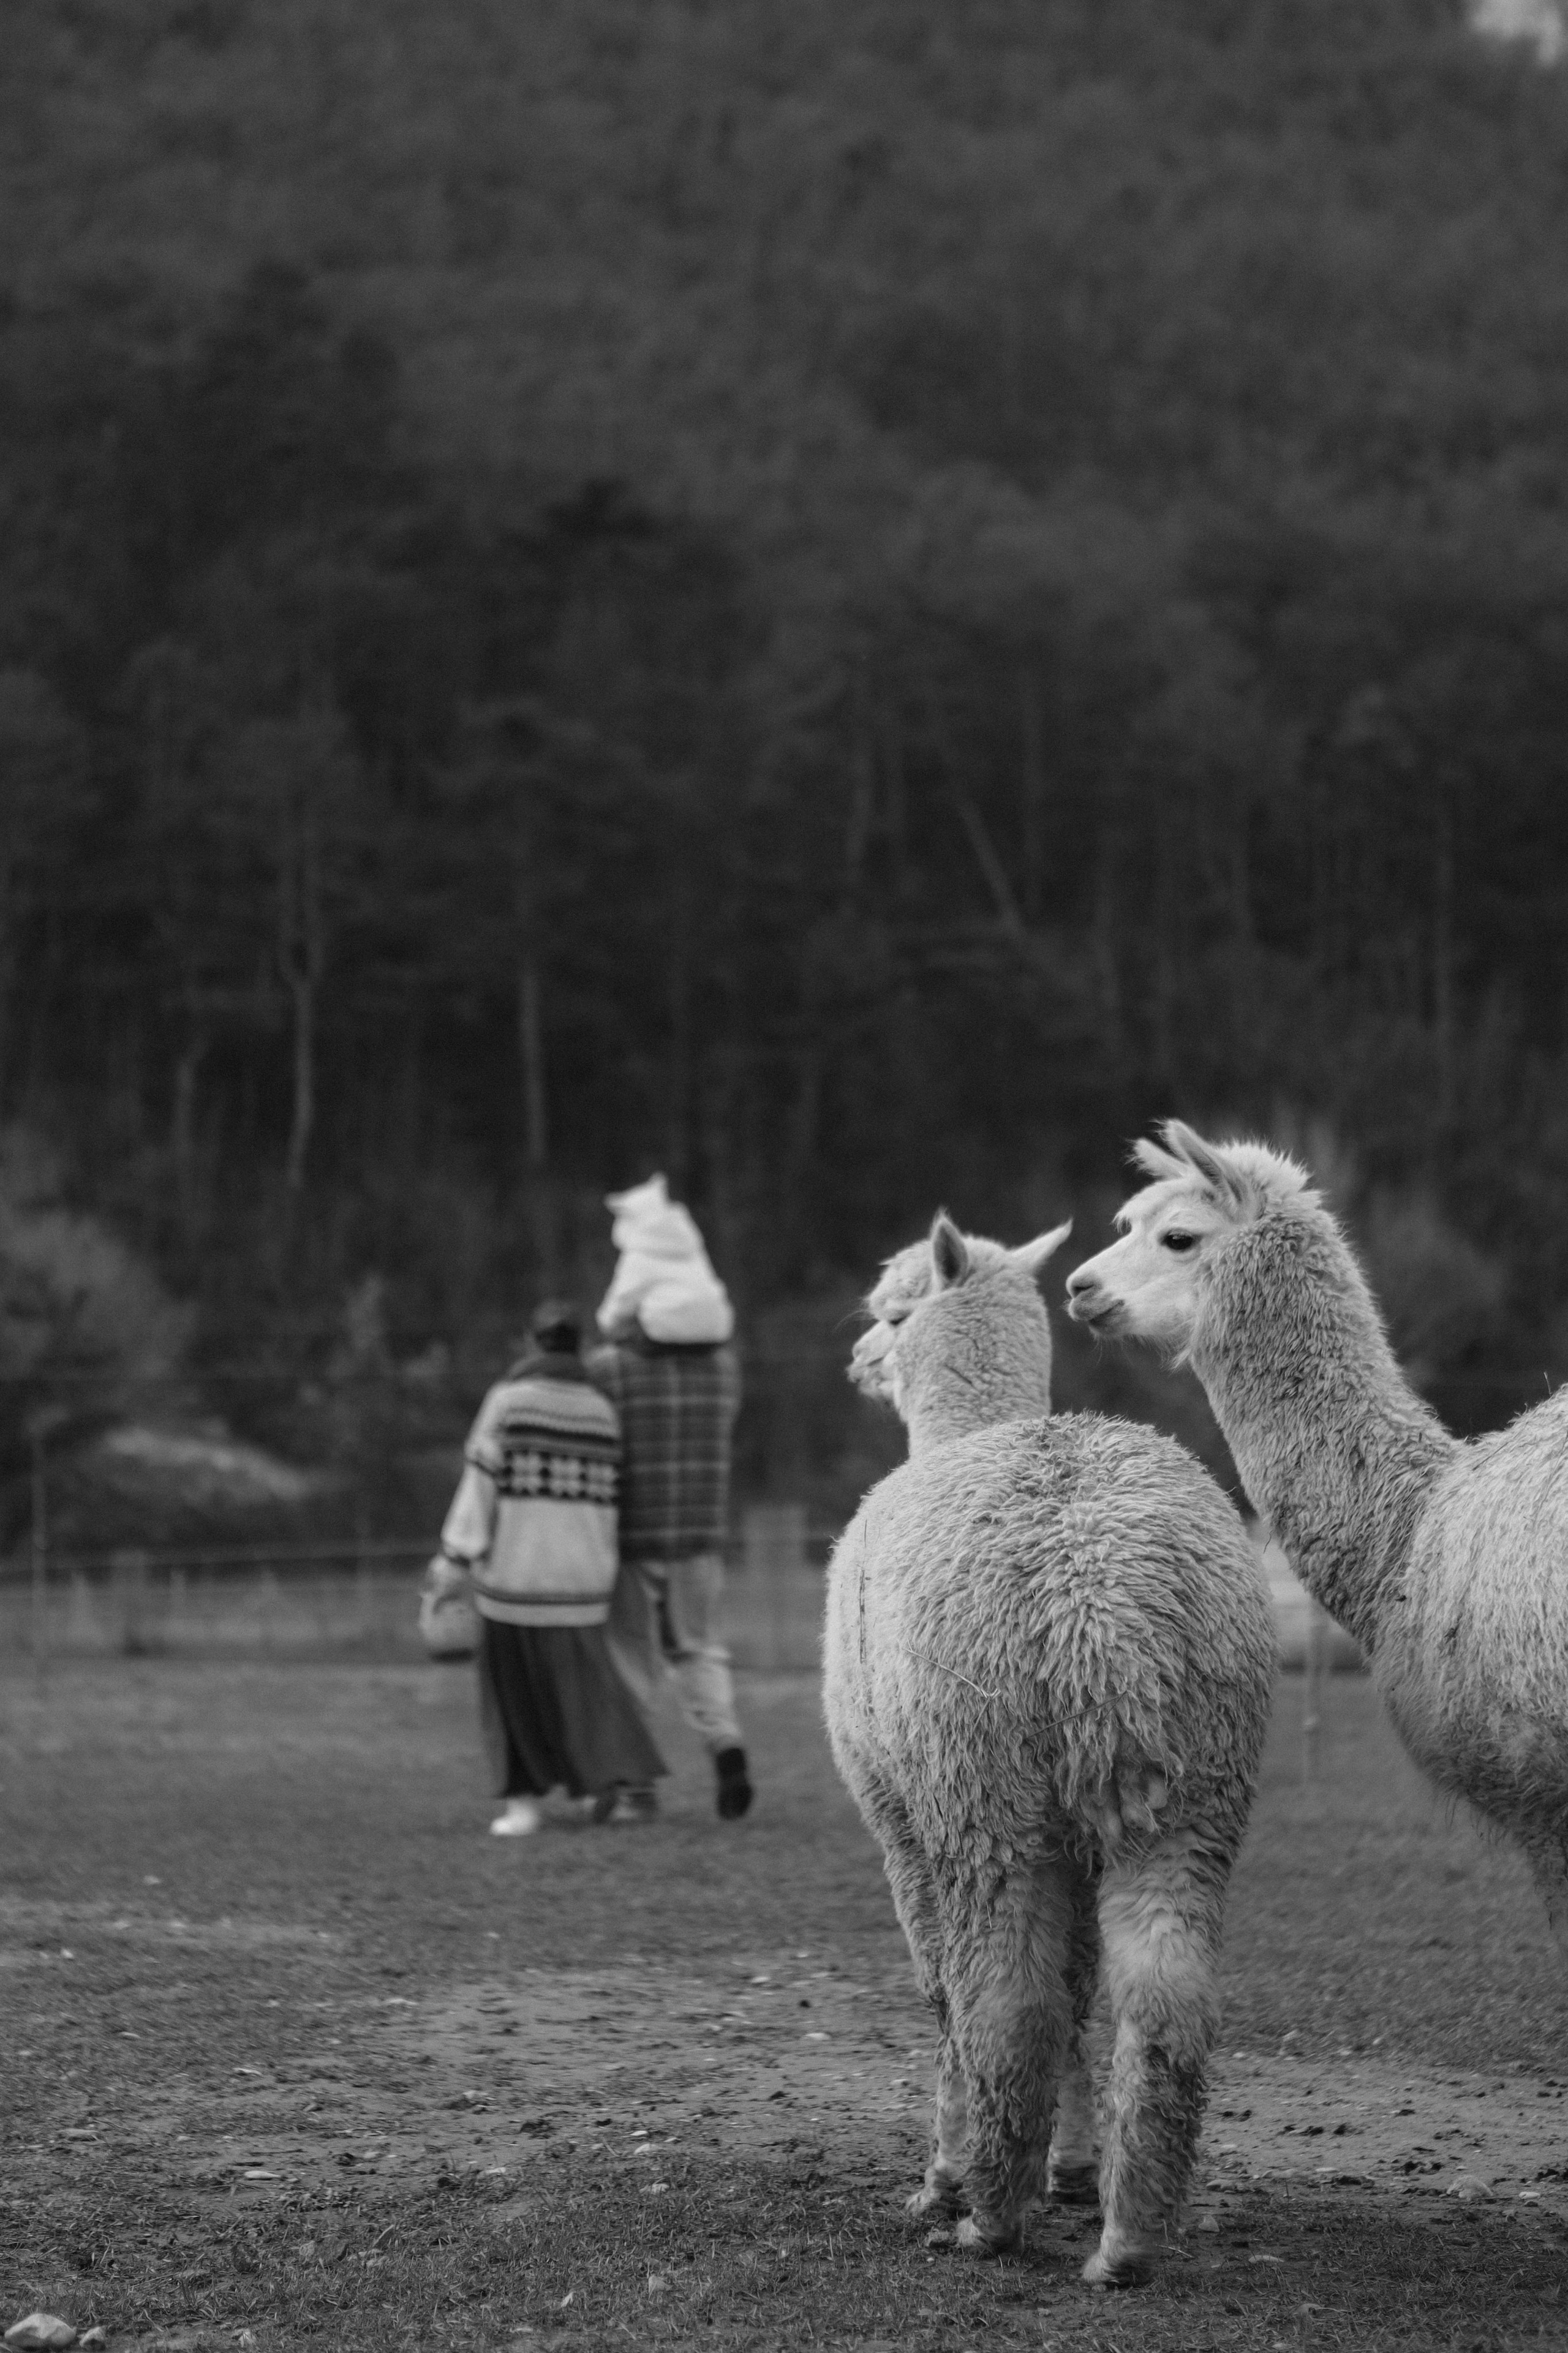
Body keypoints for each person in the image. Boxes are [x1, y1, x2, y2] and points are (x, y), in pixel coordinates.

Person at [427, 1297, 666, 1835]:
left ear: (532, 1343)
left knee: (514, 1700)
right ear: (578, 1347)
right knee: (582, 1700)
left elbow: (479, 1480)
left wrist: (454, 1556)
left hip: (516, 1577)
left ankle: (524, 1806)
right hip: (585, 1582)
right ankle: (596, 1791)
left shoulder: (508, 1401)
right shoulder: (602, 1409)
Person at [586, 1175, 753, 1822]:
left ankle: (634, 1788)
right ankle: (726, 1743)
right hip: (701, 1537)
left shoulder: (612, 1371)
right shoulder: (725, 1369)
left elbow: (610, 1349)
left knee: (631, 1660)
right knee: (700, 1649)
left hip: (632, 1538)